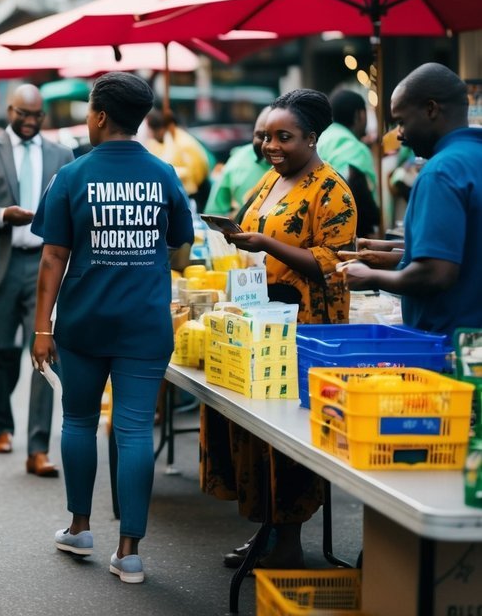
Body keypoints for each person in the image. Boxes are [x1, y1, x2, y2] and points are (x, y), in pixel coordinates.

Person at [31, 72, 193, 585]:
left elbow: (53, 256)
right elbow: (180, 246)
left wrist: (41, 328)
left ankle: (79, 528)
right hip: (146, 324)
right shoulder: (165, 173)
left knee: (79, 421)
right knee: (134, 428)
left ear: (100, 115)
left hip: (83, 323)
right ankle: (129, 552)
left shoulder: (72, 176)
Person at [203, 89, 356, 570]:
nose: (271, 145)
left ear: (311, 138)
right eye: (265, 136)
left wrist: (265, 243)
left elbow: (332, 265)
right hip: (261, 321)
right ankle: (266, 529)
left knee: (288, 439)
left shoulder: (332, 191)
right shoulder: (270, 180)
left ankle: (288, 539)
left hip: (307, 330)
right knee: (256, 433)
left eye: (283, 137)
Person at [0, 84, 74, 475]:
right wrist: (1, 216)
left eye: (36, 115)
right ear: (9, 110)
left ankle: (38, 448)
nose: (29, 122)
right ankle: (2, 426)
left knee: (45, 355)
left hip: (45, 265)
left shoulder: (62, 154)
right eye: (22, 114)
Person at [345, 63, 482, 333]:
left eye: (401, 121)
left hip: (448, 344)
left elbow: (436, 273)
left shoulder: (440, 171)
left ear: (430, 109)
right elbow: (464, 249)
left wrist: (371, 277)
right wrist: (395, 254)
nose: (399, 134)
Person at [318, 89, 378, 236]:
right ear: (360, 115)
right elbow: (353, 186)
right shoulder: (353, 146)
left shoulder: (322, 138)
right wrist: (374, 219)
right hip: (344, 232)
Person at [203, 107, 271, 217]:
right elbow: (215, 213)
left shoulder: (304, 171)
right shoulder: (238, 160)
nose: (269, 145)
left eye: (283, 137)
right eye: (261, 136)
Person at [144, 109, 211, 208]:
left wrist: (167, 173)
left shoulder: (184, 143)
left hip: (194, 193)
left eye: (153, 131)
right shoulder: (157, 143)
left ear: (161, 130)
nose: (151, 135)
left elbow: (194, 175)